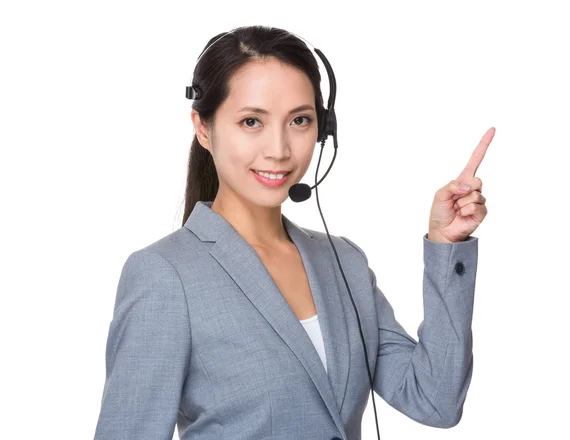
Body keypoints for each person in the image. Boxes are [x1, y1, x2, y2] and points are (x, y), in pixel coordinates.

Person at [94, 25, 488, 440]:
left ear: (324, 128)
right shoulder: (163, 274)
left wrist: (448, 247)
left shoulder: (344, 262)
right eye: (251, 121)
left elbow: (435, 401)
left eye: (300, 120)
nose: (279, 149)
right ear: (204, 128)